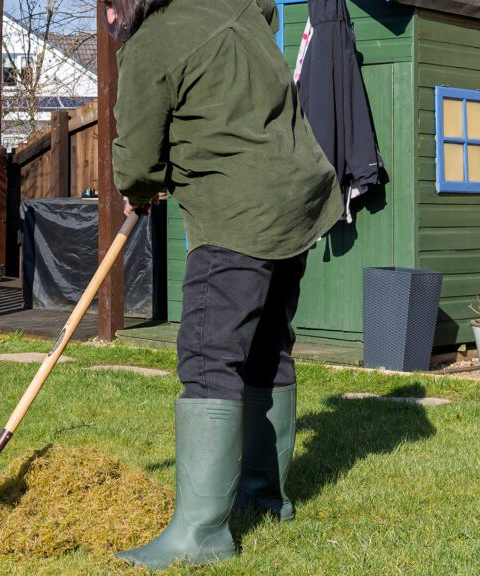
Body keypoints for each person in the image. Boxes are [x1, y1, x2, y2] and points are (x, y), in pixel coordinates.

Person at [105, 0, 343, 569]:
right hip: (298, 197)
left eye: (111, 3)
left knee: (211, 356)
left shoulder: (152, 43)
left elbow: (135, 159)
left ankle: (201, 534)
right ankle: (266, 496)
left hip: (238, 212)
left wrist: (141, 183)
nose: (107, 14)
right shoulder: (235, 5)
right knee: (265, 344)